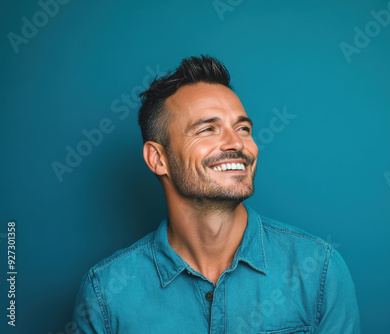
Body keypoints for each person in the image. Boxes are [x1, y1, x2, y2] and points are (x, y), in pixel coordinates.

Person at [72, 55, 360, 333]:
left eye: (243, 128)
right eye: (208, 129)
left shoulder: (319, 271)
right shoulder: (105, 293)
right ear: (157, 159)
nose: (237, 142)